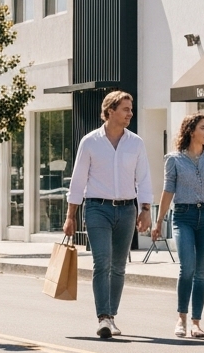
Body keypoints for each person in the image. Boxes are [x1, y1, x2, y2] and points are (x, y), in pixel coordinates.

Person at [63, 91, 153, 339]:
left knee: (118, 266)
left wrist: (146, 210)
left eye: (131, 109)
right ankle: (103, 317)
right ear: (110, 110)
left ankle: (111, 316)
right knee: (102, 261)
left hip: (126, 209)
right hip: (97, 208)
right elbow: (78, 180)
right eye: (125, 109)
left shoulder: (136, 143)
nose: (130, 113)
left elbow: (144, 178)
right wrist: (71, 215)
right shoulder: (90, 142)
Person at [151, 113, 204, 338]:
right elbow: (168, 190)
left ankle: (196, 322)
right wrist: (158, 222)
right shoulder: (174, 159)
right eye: (203, 127)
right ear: (191, 131)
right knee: (187, 267)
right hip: (183, 216)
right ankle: (181, 318)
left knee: (201, 272)